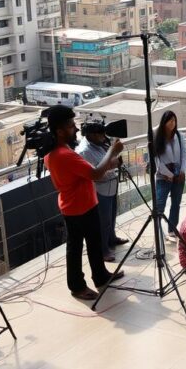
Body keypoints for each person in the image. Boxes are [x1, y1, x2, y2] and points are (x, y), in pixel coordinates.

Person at [42, 105, 125, 300]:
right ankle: (77, 286)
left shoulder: (56, 152)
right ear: (59, 131)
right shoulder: (65, 155)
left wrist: (111, 162)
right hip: (79, 207)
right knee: (76, 248)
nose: (76, 129)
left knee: (93, 244)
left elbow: (88, 171)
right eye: (71, 126)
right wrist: (112, 150)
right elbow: (95, 174)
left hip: (79, 204)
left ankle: (100, 275)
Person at [77, 121, 127, 262]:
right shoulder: (84, 150)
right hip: (100, 189)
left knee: (111, 217)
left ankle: (112, 239)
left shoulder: (99, 144)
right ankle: (103, 250)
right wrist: (115, 159)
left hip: (111, 185)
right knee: (103, 222)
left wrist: (114, 158)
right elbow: (99, 170)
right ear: (91, 135)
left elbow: (108, 162)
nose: (104, 137)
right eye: (100, 134)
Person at [153, 110, 186, 239]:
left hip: (179, 174)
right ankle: (158, 231)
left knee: (176, 203)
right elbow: (158, 161)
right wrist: (170, 175)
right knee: (160, 205)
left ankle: (172, 229)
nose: (172, 123)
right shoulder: (157, 137)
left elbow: (184, 155)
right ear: (164, 122)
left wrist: (183, 171)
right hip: (163, 176)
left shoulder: (179, 136)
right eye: (170, 120)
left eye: (174, 121)